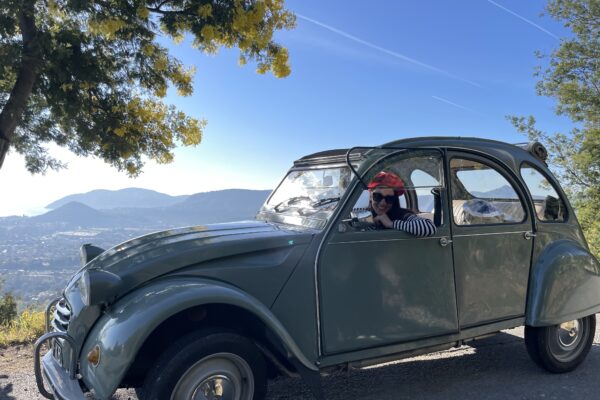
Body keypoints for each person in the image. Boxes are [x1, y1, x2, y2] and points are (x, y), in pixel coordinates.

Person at [356, 171, 436, 237]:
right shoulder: (362, 215)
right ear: (370, 196)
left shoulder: (402, 215)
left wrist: (391, 224)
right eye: (378, 196)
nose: (383, 203)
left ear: (394, 200)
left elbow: (429, 227)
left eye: (389, 198)